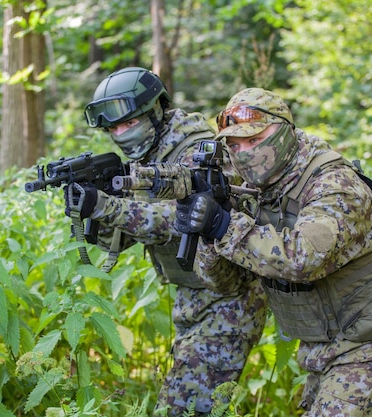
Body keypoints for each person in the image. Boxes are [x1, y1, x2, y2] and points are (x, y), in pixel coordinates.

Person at [176, 87, 372, 416]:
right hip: (323, 347)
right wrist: (209, 229)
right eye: (235, 146)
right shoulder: (259, 191)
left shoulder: (333, 184)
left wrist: (226, 226)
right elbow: (225, 283)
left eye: (254, 140)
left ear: (283, 132)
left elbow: (303, 259)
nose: (245, 153)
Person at [69, 68, 267, 416]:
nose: (120, 133)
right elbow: (125, 236)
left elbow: (179, 221)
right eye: (113, 128)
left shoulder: (199, 151)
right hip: (193, 297)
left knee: (182, 410)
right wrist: (93, 208)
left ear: (156, 110)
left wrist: (106, 205)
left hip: (228, 299)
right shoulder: (146, 156)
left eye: (128, 123)